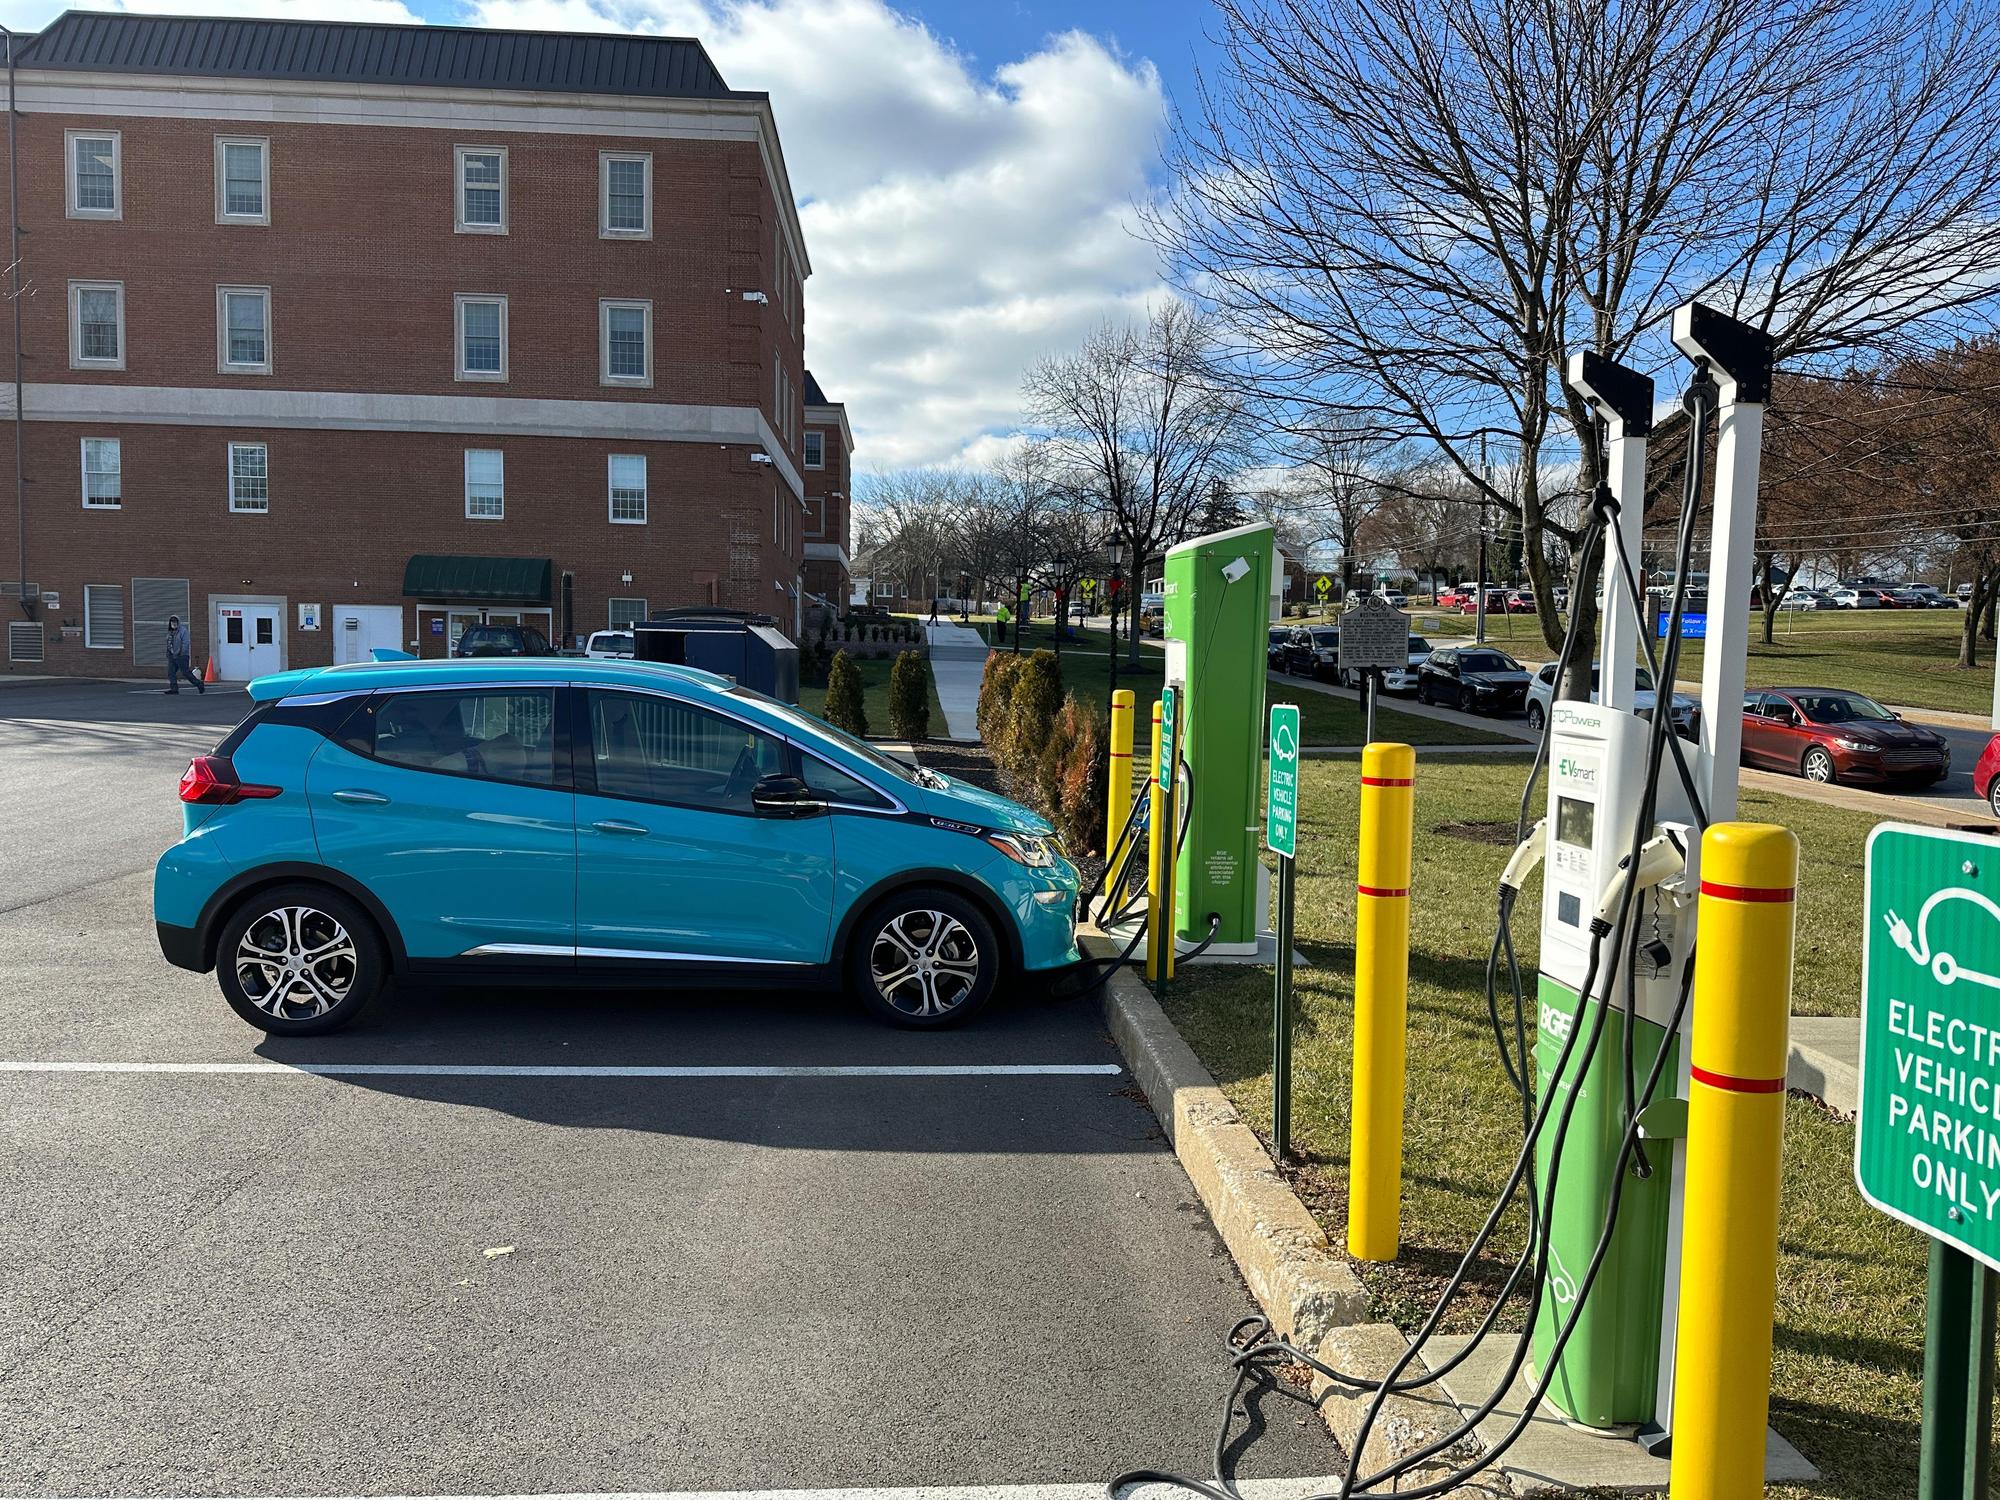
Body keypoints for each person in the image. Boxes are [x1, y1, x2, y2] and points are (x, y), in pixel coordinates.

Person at [164, 615, 204, 695]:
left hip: (181, 656)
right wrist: (168, 653)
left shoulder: (183, 631)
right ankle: (174, 689)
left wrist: (181, 653)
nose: (173, 623)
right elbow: (168, 643)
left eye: (175, 621)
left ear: (178, 622)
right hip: (172, 656)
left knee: (185, 672)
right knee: (171, 672)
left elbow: (185, 643)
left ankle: (199, 684)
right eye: (172, 621)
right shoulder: (170, 632)